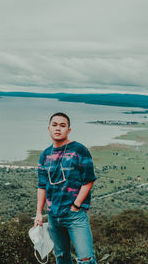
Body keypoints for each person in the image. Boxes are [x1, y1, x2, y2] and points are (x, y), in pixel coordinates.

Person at [34, 112, 97, 264]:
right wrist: (38, 213)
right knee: (61, 257)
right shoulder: (45, 155)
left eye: (63, 126)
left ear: (69, 130)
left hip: (74, 215)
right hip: (53, 216)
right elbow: (42, 186)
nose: (58, 129)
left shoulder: (79, 150)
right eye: (54, 125)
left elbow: (88, 180)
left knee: (86, 258)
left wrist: (76, 205)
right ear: (49, 128)